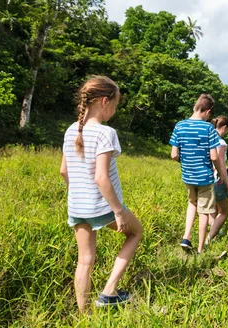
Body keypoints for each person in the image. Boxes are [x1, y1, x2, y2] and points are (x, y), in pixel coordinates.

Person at [60, 75, 143, 312]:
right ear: (104, 101)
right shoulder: (105, 133)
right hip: (102, 207)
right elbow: (101, 177)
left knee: (85, 260)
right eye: (115, 106)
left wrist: (80, 195)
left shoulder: (70, 131)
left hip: (77, 207)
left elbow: (64, 171)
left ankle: (84, 314)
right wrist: (119, 211)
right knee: (136, 233)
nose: (114, 112)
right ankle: (109, 292)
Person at [169, 94, 226, 254]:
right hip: (205, 177)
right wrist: (220, 173)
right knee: (204, 212)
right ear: (207, 111)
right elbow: (214, 156)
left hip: (188, 176)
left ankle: (186, 237)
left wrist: (187, 161)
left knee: (192, 203)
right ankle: (200, 249)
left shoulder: (179, 126)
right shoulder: (208, 128)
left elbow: (174, 155)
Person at [207, 116, 228, 242]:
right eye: (227, 129)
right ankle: (208, 238)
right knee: (224, 211)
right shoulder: (222, 143)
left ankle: (214, 236)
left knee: (211, 210)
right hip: (218, 180)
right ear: (224, 127)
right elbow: (221, 166)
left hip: (205, 179)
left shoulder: (207, 139)